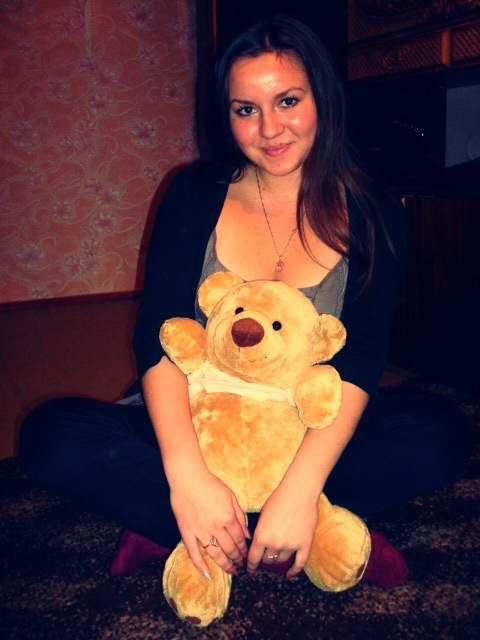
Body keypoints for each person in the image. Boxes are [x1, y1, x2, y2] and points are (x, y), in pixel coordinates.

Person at [19, 16, 470, 585]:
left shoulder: (374, 209)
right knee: (50, 434)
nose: (269, 129)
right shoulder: (193, 193)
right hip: (200, 420)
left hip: (302, 429)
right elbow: (158, 335)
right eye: (245, 109)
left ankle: (208, 532)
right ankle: (283, 530)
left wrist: (300, 489)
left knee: (442, 432)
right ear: (226, 114)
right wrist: (188, 479)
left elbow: (363, 357)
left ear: (322, 98)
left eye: (288, 101)